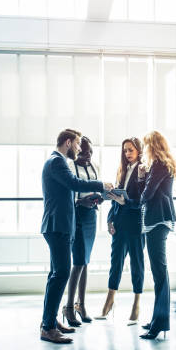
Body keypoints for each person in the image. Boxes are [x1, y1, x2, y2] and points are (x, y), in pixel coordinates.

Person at [40, 129, 113, 344]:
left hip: (59, 226)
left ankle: (50, 321)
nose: (80, 149)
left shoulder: (55, 162)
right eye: (78, 144)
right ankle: (48, 327)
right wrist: (101, 184)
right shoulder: (57, 162)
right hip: (58, 226)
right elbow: (74, 183)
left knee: (56, 274)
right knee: (61, 273)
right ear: (68, 142)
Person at [96, 137, 146, 324]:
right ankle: (109, 301)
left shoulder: (143, 170)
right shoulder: (122, 171)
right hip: (119, 223)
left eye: (130, 150)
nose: (127, 154)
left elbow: (142, 201)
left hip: (135, 225)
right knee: (115, 263)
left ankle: (136, 305)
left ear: (139, 151)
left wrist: (126, 202)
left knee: (137, 264)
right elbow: (116, 199)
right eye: (125, 150)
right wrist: (110, 219)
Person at [138, 131, 176, 340]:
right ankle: (157, 320)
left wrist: (142, 179)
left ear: (152, 146)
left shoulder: (159, 164)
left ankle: (159, 323)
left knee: (159, 273)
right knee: (159, 272)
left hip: (157, 222)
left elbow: (147, 195)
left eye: (146, 146)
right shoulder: (160, 165)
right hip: (157, 222)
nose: (144, 150)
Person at [62, 136, 102, 327]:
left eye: (91, 153)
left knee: (85, 262)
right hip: (76, 216)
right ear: (78, 150)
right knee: (78, 261)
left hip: (91, 216)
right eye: (85, 152)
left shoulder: (95, 166)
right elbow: (68, 195)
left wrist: (99, 197)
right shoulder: (69, 167)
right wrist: (80, 201)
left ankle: (81, 305)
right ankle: (68, 307)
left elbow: (98, 186)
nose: (88, 156)